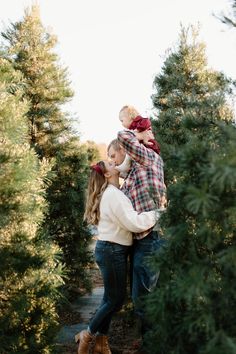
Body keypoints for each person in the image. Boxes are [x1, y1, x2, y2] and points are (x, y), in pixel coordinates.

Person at [74, 160, 159, 354]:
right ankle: (87, 335)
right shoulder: (113, 195)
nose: (117, 164)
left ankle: (101, 344)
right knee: (115, 300)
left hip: (110, 249)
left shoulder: (112, 193)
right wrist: (157, 214)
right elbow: (134, 222)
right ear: (106, 174)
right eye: (112, 164)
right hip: (112, 251)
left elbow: (126, 161)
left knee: (109, 298)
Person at [108, 109, 166, 353]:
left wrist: (137, 135)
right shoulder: (132, 173)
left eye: (114, 155)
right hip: (140, 238)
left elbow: (123, 135)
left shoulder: (148, 158)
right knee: (140, 298)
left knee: (144, 300)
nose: (112, 159)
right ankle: (148, 342)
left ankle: (154, 347)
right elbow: (122, 206)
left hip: (151, 238)